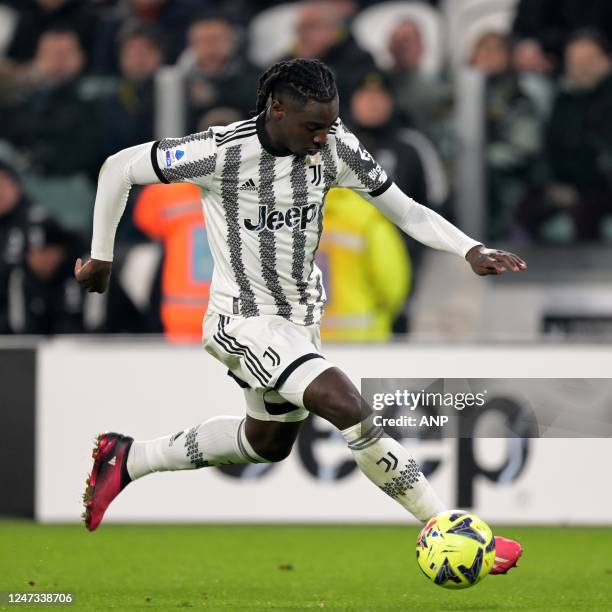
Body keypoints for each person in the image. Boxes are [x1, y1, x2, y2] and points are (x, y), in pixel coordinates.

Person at [76, 58, 525, 575]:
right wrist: (101, 256)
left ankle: (128, 458)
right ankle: (450, 528)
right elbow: (119, 168)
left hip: (299, 322)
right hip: (241, 320)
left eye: (330, 123)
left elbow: (404, 209)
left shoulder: (335, 147)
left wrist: (470, 249)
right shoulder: (220, 152)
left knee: (265, 443)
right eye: (313, 126)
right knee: (348, 405)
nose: (323, 137)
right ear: (277, 108)